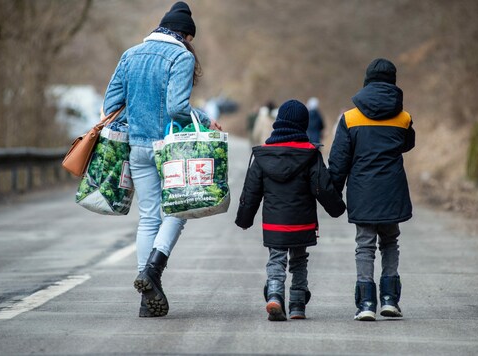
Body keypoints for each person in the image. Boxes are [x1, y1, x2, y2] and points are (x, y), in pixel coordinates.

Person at [102, 1, 221, 317]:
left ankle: (146, 296)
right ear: (186, 35)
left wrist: (136, 115)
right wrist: (204, 119)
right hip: (169, 148)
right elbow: (177, 109)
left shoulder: (130, 55)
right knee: (181, 208)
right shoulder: (180, 56)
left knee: (149, 216)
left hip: (136, 146)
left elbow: (111, 103)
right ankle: (152, 272)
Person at [236, 100, 346, 321]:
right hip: (302, 222)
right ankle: (297, 304)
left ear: (279, 123)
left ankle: (275, 294)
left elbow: (251, 191)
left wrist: (244, 219)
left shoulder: (263, 155)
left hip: (274, 223)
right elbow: (323, 187)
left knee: (276, 259)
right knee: (299, 260)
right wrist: (337, 207)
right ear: (303, 125)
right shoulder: (310, 154)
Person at [328, 58, 415, 321]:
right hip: (392, 190)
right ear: (393, 82)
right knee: (390, 242)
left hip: (362, 191)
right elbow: (407, 145)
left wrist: (332, 193)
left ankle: (366, 303)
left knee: (364, 245)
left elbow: (339, 160)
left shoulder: (350, 118)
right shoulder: (404, 118)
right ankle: (390, 300)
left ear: (366, 81)